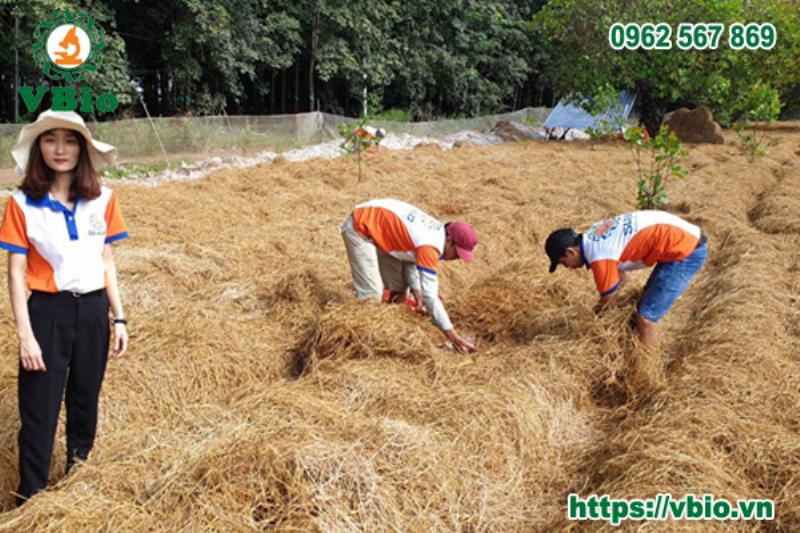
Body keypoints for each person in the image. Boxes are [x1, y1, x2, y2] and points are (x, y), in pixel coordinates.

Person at [0, 109, 130, 504]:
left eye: (70, 140)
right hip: (46, 315)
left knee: (84, 401)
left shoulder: (103, 199)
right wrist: (26, 336)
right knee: (39, 411)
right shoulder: (22, 204)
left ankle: (79, 483)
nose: (61, 148)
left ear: (83, 149)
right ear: (38, 146)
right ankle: (31, 497)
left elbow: (106, 260)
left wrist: (119, 317)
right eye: (50, 138)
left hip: (94, 314)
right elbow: (16, 273)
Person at [545, 210, 708, 348]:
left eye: (562, 262)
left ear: (570, 252)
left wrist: (593, 327)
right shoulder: (594, 233)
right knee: (643, 301)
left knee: (645, 318)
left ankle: (647, 374)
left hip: (686, 251)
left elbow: (608, 302)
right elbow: (621, 278)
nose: (567, 267)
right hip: (682, 238)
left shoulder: (599, 256)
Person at [341, 198, 477, 353]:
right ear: (449, 240)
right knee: (372, 294)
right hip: (360, 226)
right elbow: (431, 297)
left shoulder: (436, 233)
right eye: (458, 253)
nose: (456, 258)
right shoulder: (430, 245)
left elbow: (409, 259)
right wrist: (453, 337)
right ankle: (359, 341)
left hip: (379, 227)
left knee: (398, 287)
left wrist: (417, 293)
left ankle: (389, 329)